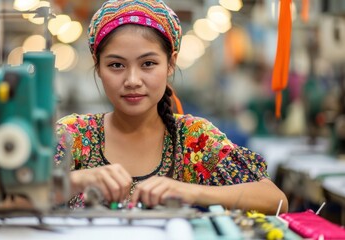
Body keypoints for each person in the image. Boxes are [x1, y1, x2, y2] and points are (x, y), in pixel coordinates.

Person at [54, 0, 288, 215]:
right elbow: (17, 197)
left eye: (148, 64)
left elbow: (275, 200)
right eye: (116, 65)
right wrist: (76, 181)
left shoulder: (193, 139)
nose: (133, 80)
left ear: (170, 65)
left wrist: (192, 192)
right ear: (98, 68)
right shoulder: (73, 135)